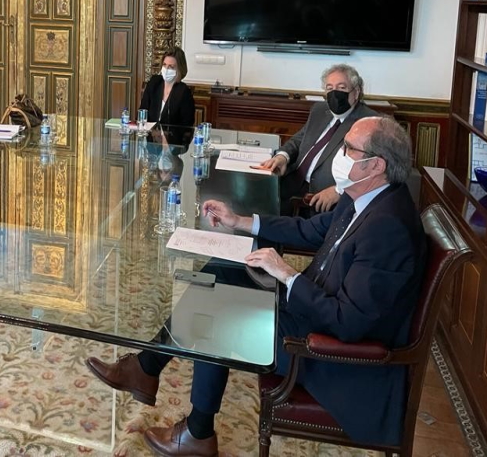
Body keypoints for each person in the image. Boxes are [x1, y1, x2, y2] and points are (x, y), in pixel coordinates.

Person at [86, 116, 426, 456]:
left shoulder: (388, 228)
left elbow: (349, 323)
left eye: (348, 148)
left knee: (214, 315)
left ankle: (197, 432)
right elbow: (307, 231)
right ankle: (146, 368)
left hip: (329, 352)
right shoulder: (364, 196)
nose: (339, 153)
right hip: (310, 310)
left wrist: (286, 275)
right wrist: (240, 221)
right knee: (220, 272)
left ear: (376, 164)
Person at [257, 64, 377, 215]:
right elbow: (299, 139)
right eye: (329, 88)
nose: (334, 93)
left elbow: (374, 169)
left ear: (356, 92)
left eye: (341, 88)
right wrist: (282, 157)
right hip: (289, 181)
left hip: (321, 199)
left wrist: (340, 191)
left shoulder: (370, 122)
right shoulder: (320, 110)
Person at [139, 47, 196, 127]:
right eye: (164, 65)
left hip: (172, 137)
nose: (166, 69)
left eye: (171, 67)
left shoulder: (184, 92)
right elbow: (142, 112)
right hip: (149, 135)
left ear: (179, 69)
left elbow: (187, 125)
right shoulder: (154, 83)